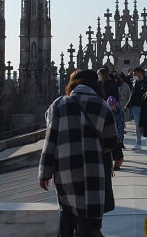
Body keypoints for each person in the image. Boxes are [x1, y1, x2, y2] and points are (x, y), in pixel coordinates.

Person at [39, 69, 117, 237]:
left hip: (66, 171)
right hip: (94, 172)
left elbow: (50, 141)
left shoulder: (59, 104)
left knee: (68, 214)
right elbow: (111, 141)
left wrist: (44, 173)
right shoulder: (102, 105)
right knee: (90, 220)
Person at [126, 67, 147, 150]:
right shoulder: (135, 83)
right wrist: (127, 106)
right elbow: (132, 95)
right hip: (136, 106)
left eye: (134, 74)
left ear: (139, 73)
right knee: (137, 125)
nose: (133, 76)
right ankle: (138, 143)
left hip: (145, 106)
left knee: (146, 124)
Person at [108, 97, 126, 170]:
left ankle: (118, 163)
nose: (112, 107)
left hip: (118, 133)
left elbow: (122, 122)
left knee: (118, 151)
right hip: (110, 134)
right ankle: (116, 163)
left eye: (113, 105)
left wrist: (121, 133)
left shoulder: (120, 111)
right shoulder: (107, 111)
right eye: (111, 105)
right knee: (111, 151)